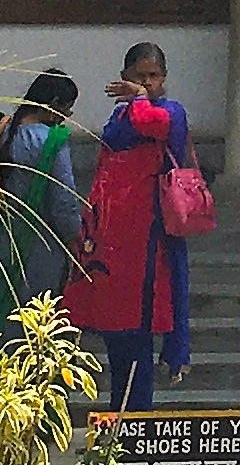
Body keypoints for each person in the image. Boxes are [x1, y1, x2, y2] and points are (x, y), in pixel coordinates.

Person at [60, 43, 195, 409]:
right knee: (117, 336)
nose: (147, 83)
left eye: (153, 76)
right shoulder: (120, 117)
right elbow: (118, 140)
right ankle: (120, 420)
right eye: (139, 76)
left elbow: (154, 124)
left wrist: (139, 99)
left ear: (164, 78)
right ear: (124, 77)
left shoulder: (171, 111)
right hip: (111, 246)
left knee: (138, 335)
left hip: (151, 245)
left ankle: (137, 422)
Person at [0, 66, 85, 360]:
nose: (66, 117)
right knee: (26, 325)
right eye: (66, 109)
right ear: (54, 105)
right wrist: (77, 239)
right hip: (37, 249)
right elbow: (63, 203)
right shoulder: (51, 142)